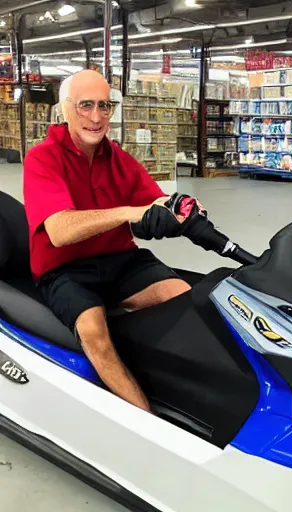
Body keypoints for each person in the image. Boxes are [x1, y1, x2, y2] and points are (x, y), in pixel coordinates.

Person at [23, 69, 192, 413]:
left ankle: (182, 389)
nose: (96, 117)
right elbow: (60, 231)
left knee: (184, 298)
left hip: (119, 259)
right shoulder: (42, 158)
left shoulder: (119, 159)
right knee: (93, 328)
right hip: (64, 269)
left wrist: (181, 208)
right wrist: (126, 212)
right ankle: (146, 423)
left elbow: (155, 200)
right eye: (85, 105)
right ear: (65, 108)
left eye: (104, 106)